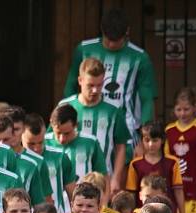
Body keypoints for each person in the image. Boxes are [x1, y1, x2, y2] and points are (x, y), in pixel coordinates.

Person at [63, 7, 156, 146]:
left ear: (127, 32)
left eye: (117, 40)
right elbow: (70, 86)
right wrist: (66, 122)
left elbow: (147, 99)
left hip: (126, 129)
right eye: (108, 39)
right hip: (85, 126)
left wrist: (145, 138)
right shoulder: (84, 49)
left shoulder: (140, 58)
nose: (112, 44)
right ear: (101, 29)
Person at [60, 58, 129, 192]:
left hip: (102, 181)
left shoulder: (113, 109)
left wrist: (116, 178)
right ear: (80, 80)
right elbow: (52, 140)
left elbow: (121, 146)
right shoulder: (65, 106)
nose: (95, 90)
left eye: (99, 85)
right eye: (90, 85)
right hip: (70, 181)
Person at [126, 121, 185, 213]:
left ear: (162, 140)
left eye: (155, 140)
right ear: (142, 141)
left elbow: (178, 191)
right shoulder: (135, 164)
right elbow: (132, 194)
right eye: (147, 140)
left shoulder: (172, 162)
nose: (151, 144)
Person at [23, 112, 76, 213]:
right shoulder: (15, 159)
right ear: (21, 136)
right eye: (31, 144)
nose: (37, 148)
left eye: (40, 142)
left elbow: (73, 195)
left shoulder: (60, 157)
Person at [46, 104, 107, 181]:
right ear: (51, 124)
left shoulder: (90, 142)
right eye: (58, 133)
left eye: (67, 133)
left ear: (76, 125)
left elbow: (102, 175)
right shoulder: (43, 143)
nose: (62, 139)